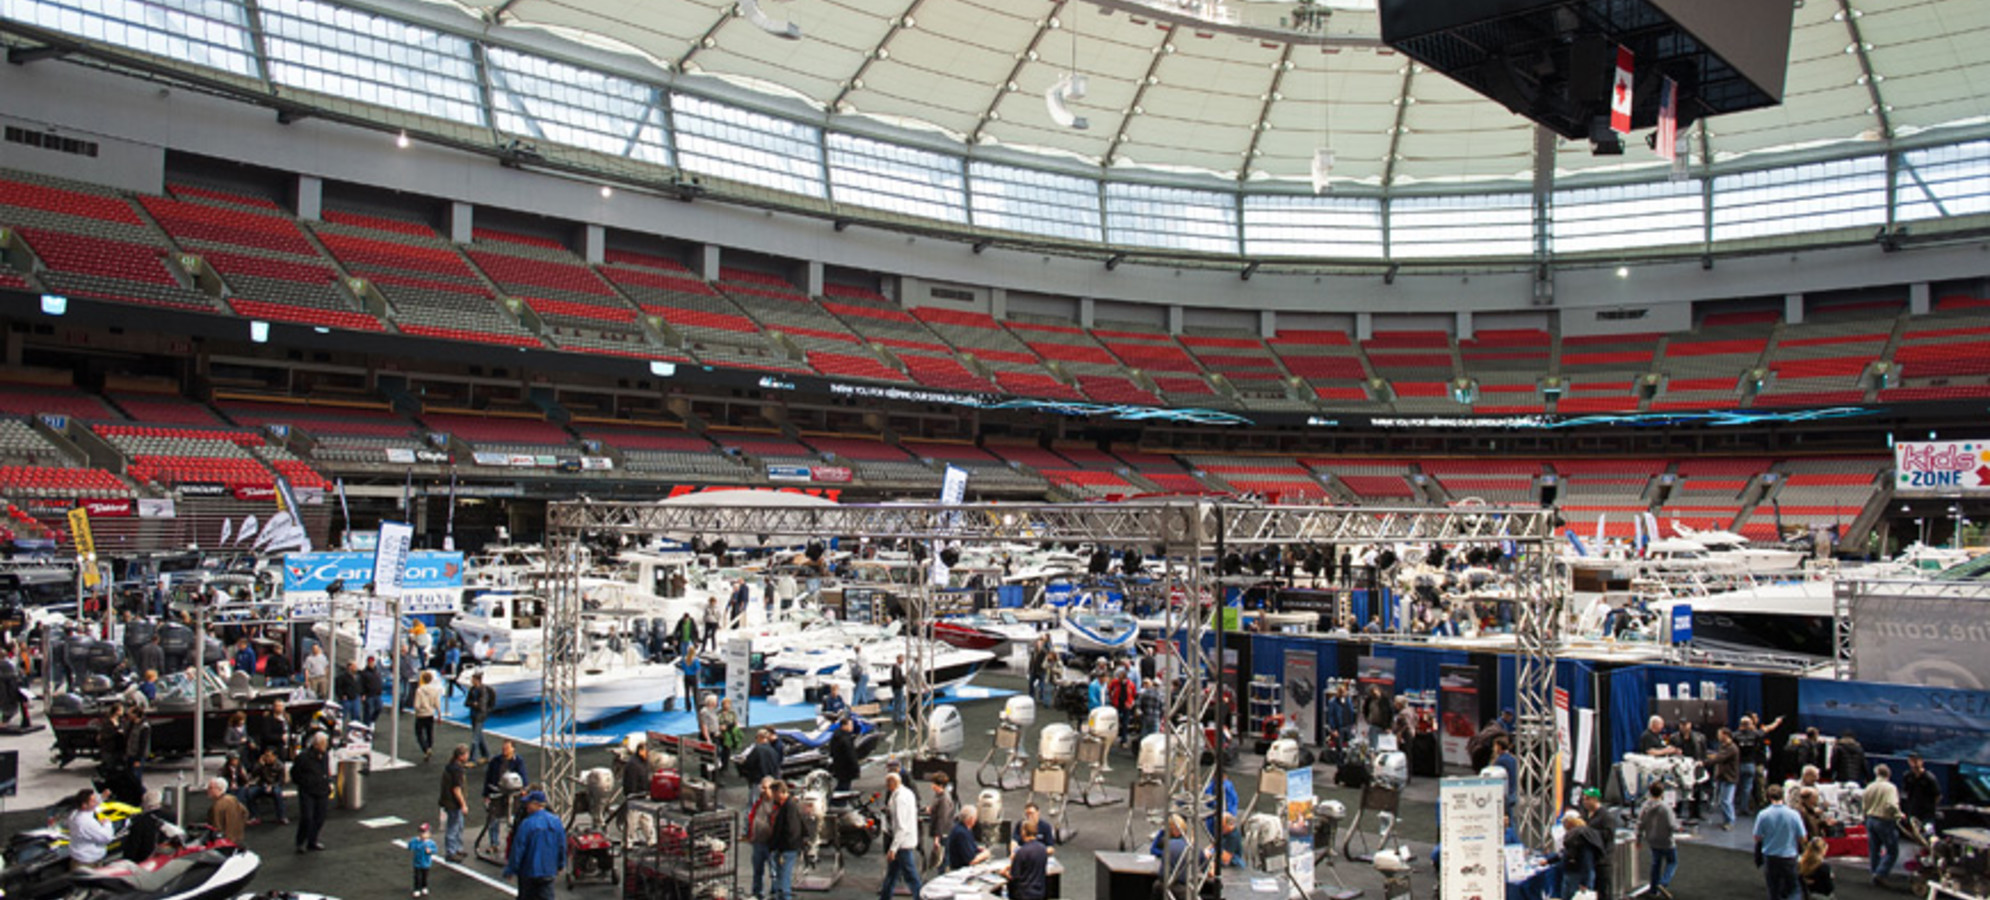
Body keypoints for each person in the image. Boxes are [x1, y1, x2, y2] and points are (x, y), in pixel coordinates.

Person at [502, 790, 566, 900]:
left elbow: (518, 849)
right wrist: (561, 864)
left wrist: (511, 869)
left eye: (529, 803)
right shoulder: (556, 822)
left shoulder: (527, 823)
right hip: (548, 870)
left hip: (529, 871)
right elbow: (562, 845)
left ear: (537, 804)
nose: (526, 806)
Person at [1754, 785, 1805, 900]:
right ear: (1783, 796)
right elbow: (1802, 837)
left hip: (1770, 857)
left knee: (1774, 890)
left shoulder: (1763, 814)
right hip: (1789, 856)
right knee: (1793, 889)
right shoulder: (1794, 814)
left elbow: (1757, 837)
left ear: (1768, 797)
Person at [879, 772, 923, 900]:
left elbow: (901, 826)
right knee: (892, 874)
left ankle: (920, 897)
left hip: (902, 844)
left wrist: (893, 848)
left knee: (910, 875)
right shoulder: (908, 793)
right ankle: (885, 897)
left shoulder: (899, 799)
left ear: (891, 783)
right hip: (905, 840)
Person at [1637, 781, 1678, 900]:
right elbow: (1671, 825)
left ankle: (1653, 889)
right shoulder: (1665, 807)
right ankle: (1663, 883)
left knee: (1656, 863)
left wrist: (1638, 839)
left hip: (1652, 840)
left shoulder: (1645, 806)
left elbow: (1640, 823)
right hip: (1666, 841)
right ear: (1662, 793)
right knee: (1672, 862)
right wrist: (1678, 827)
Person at [1864, 762, 1903, 886]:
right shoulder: (1890, 787)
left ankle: (1875, 873)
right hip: (1884, 821)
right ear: (1889, 774)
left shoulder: (1869, 786)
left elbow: (1864, 805)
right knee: (1892, 851)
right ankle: (1880, 873)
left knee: (1874, 849)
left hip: (1870, 819)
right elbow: (1891, 804)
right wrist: (1899, 815)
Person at [770, 780, 807, 900]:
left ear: (780, 792)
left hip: (787, 848)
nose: (773, 797)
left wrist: (778, 846)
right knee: (782, 875)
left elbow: (789, 829)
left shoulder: (788, 806)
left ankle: (785, 897)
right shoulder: (789, 805)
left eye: (774, 793)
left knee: (784, 876)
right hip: (789, 847)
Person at [1578, 790, 1617, 900]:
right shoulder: (1587, 815)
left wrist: (1588, 833)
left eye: (1587, 799)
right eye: (1584, 799)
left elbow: (1608, 836)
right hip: (1592, 860)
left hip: (1603, 861)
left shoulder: (1606, 817)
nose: (1584, 802)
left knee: (1604, 892)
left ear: (1595, 799)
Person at [122, 789, 177, 862]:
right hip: (168, 860)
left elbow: (132, 848)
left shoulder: (140, 821)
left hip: (145, 862)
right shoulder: (173, 817)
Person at [67, 789, 116, 868]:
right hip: (89, 863)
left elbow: (91, 807)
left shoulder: (74, 814)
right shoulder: (87, 823)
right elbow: (107, 837)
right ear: (84, 805)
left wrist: (102, 797)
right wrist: (107, 823)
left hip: (79, 858)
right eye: (93, 800)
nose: (96, 802)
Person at [1003, 821, 1050, 900]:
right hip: (1039, 893)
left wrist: (1004, 872)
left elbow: (1014, 876)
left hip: (1023, 895)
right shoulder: (1043, 849)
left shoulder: (1021, 852)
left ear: (1024, 832)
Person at [748, 778, 778, 900]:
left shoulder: (777, 805)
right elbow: (751, 817)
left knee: (774, 872)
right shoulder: (758, 802)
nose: (764, 791)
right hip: (758, 842)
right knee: (757, 871)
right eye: (762, 788)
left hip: (771, 845)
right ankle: (757, 893)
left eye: (767, 788)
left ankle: (775, 894)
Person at [441, 744, 472, 862]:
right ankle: (451, 851)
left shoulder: (451, 766)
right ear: (461, 756)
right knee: (453, 827)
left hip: (450, 802)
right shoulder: (457, 770)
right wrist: (463, 804)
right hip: (453, 803)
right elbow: (457, 789)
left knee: (459, 825)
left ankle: (457, 848)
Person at [243, 747, 289, 824]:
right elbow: (253, 775)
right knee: (250, 793)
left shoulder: (279, 766)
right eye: (266, 756)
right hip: (262, 785)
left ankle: (281, 817)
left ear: (274, 756)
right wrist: (259, 765)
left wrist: (272, 786)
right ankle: (254, 816)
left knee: (277, 793)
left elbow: (281, 781)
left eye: (269, 756)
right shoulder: (262, 764)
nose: (267, 758)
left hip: (274, 785)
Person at [1708, 726, 1741, 830]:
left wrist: (1704, 761)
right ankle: (1726, 820)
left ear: (1725, 735)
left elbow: (1719, 758)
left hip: (1729, 778)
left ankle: (1730, 821)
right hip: (1723, 777)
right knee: (1723, 801)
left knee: (1726, 801)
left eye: (1719, 734)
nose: (1718, 736)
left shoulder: (1732, 748)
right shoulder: (1723, 746)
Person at [1901, 752, 1942, 837]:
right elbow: (1906, 792)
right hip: (1913, 814)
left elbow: (1938, 795)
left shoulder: (1929, 778)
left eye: (1915, 761)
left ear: (1921, 762)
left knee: (1929, 834)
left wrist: (1931, 807)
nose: (1913, 764)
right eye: (1911, 761)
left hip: (1927, 815)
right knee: (1917, 836)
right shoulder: (1907, 776)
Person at [926, 773, 957, 873]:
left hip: (944, 833)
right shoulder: (939, 796)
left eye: (933, 783)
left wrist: (937, 837)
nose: (931, 785)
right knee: (942, 857)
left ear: (939, 785)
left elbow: (942, 819)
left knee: (942, 858)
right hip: (943, 832)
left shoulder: (944, 799)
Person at [946, 805, 990, 871]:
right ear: (971, 819)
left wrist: (976, 848)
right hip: (961, 870)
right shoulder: (962, 834)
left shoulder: (961, 828)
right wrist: (985, 855)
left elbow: (966, 847)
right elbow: (970, 861)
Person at [206, 776, 247, 844]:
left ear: (219, 789)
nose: (207, 790)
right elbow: (245, 813)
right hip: (237, 838)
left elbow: (216, 828)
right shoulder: (232, 799)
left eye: (210, 788)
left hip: (224, 842)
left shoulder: (217, 806)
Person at [465, 672, 496, 763]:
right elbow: (466, 702)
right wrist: (474, 703)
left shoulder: (483, 691)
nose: (471, 681)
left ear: (477, 680)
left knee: (475, 738)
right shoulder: (472, 689)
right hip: (474, 715)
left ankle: (472, 759)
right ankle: (486, 755)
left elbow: (481, 705)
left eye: (473, 679)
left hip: (480, 716)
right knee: (479, 735)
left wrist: (474, 704)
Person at [414, 670, 441, 763]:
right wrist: (439, 714)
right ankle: (429, 747)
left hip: (421, 714)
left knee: (419, 733)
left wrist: (418, 711)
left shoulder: (419, 690)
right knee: (430, 732)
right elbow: (437, 703)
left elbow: (416, 705)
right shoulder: (435, 690)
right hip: (430, 714)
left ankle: (425, 748)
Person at [829, 715, 861, 793]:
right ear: (844, 726)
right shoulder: (846, 739)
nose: (852, 727)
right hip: (846, 768)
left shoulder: (836, 736)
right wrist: (856, 768)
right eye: (850, 725)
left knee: (842, 784)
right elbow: (851, 755)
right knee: (844, 787)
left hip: (838, 766)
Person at [1492, 736, 1519, 820]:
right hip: (1513, 791)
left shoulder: (1500, 760)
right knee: (1510, 817)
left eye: (1495, 746)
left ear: (1499, 747)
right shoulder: (1512, 759)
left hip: (1504, 792)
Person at [409, 821, 438, 898]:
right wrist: (415, 845)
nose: (422, 834)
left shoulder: (431, 843)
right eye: (421, 832)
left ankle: (424, 886)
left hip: (426, 863)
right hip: (417, 863)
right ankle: (417, 889)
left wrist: (430, 851)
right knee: (417, 876)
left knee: (424, 876)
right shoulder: (416, 841)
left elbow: (435, 850)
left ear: (429, 834)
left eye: (424, 832)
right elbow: (410, 847)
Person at [360, 655, 385, 725]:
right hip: (369, 694)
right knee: (367, 710)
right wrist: (362, 694)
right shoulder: (364, 673)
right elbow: (361, 684)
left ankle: (372, 721)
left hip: (377, 694)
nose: (371, 664)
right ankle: (366, 724)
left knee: (379, 708)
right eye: (370, 662)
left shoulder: (377, 671)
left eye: (372, 662)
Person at [888, 655, 907, 724]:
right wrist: (901, 683)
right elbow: (896, 678)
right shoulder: (896, 667)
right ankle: (899, 718)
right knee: (899, 703)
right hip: (897, 688)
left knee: (897, 703)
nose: (903, 661)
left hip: (896, 687)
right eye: (902, 659)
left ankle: (897, 718)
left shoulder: (896, 667)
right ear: (898, 659)